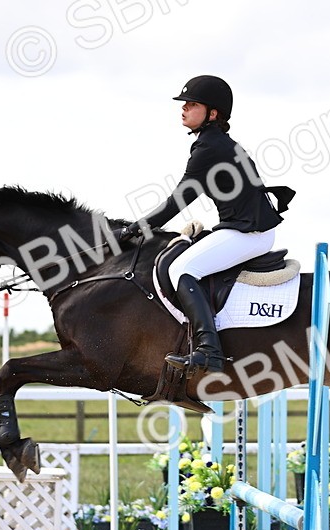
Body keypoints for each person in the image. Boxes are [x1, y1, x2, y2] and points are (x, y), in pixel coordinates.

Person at [117, 75, 293, 373]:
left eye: (192, 104)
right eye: (184, 104)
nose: (183, 109)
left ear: (213, 113)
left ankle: (209, 350)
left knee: (181, 269)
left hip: (250, 234)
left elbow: (178, 201)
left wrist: (136, 228)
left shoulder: (210, 148)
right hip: (244, 228)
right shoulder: (214, 143)